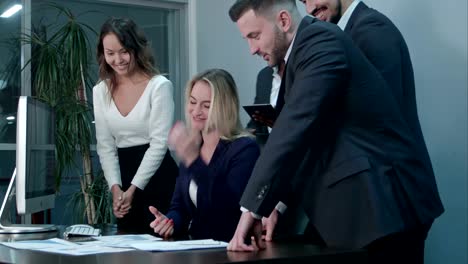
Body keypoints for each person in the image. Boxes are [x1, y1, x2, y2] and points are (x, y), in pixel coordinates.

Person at [227, 1, 444, 263]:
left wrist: (251, 210)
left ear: (283, 21)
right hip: (361, 207)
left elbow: (295, 129)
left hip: (384, 203)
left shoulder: (321, 40)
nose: (252, 49)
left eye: (255, 36)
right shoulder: (305, 54)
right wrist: (271, 201)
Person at [299, 0, 435, 186]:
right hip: (378, 185)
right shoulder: (345, 34)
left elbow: (379, 122)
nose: (309, 9)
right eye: (303, 1)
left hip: (394, 186)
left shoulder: (371, 29)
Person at [148, 68, 260, 242]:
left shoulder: (244, 149)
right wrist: (170, 221)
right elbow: (180, 208)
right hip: (196, 247)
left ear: (224, 108)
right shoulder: (194, 146)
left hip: (229, 248)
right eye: (192, 102)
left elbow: (227, 208)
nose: (196, 111)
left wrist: (194, 161)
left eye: (206, 106)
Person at [93, 17, 178, 234]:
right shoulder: (100, 91)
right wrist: (116, 188)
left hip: (158, 177)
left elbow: (159, 144)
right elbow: (105, 146)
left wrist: (133, 188)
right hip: (122, 175)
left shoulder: (159, 86)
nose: (117, 59)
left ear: (136, 49)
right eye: (110, 53)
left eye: (123, 51)